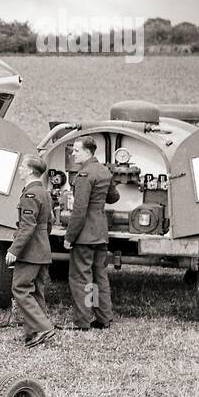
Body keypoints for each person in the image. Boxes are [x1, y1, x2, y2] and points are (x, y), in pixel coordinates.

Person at [63, 137, 119, 330]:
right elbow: (114, 197)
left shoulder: (84, 175)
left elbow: (79, 212)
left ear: (87, 152)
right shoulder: (104, 171)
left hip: (85, 235)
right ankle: (104, 318)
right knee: (99, 276)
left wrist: (69, 237)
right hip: (101, 232)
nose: (73, 154)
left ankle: (83, 321)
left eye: (76, 151)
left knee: (81, 279)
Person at [5, 155, 56, 348]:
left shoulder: (30, 194)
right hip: (42, 249)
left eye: (22, 167)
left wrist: (14, 250)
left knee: (20, 288)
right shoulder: (44, 192)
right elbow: (49, 223)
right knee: (36, 292)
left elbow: (27, 227)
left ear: (30, 171)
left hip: (30, 251)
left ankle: (43, 327)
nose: (19, 170)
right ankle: (33, 334)